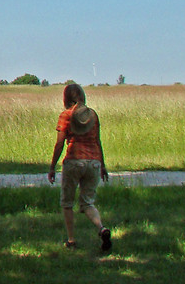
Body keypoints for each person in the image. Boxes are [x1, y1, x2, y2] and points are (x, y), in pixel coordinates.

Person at [48, 83, 112, 252]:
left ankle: (71, 240)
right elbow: (98, 141)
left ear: (66, 98)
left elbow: (60, 143)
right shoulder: (92, 115)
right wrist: (103, 165)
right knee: (87, 203)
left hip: (74, 161)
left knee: (67, 202)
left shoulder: (66, 116)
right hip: (94, 162)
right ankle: (101, 228)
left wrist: (52, 167)